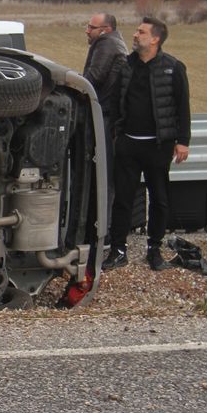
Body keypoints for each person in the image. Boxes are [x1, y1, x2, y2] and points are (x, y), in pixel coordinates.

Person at [103, 16, 191, 272]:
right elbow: (116, 102)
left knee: (160, 199)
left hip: (158, 146)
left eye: (141, 32)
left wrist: (182, 141)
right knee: (123, 199)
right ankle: (118, 250)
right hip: (128, 144)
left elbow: (182, 107)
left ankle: (155, 249)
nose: (135, 35)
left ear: (155, 39)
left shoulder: (172, 68)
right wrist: (116, 135)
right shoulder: (125, 66)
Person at [82, 13, 127, 242]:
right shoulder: (113, 42)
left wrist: (76, 89)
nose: (87, 31)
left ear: (105, 29)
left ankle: (102, 232)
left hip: (105, 118)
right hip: (107, 117)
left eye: (91, 27)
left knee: (102, 177)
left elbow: (93, 78)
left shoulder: (107, 44)